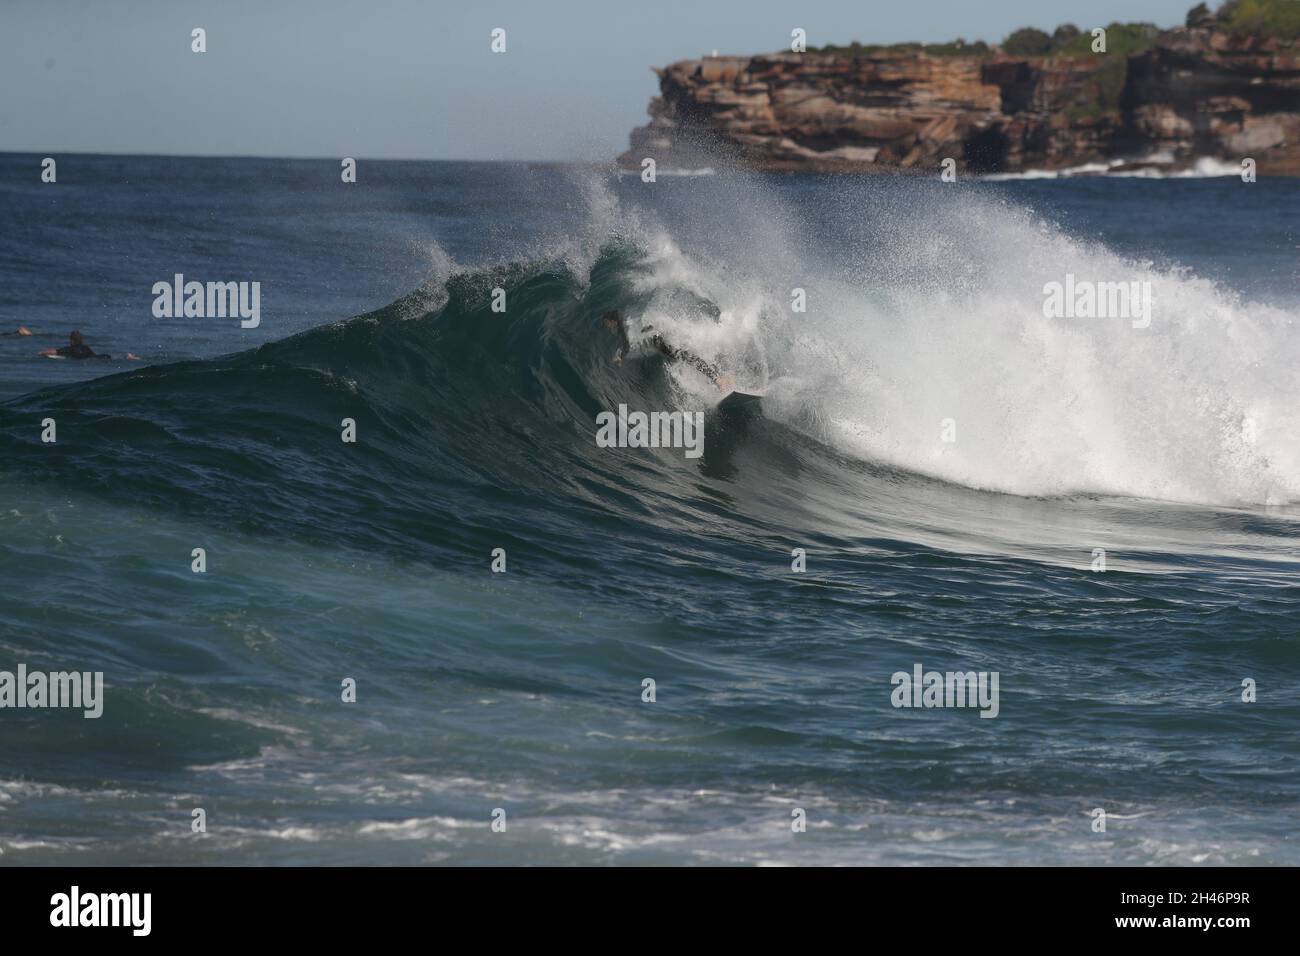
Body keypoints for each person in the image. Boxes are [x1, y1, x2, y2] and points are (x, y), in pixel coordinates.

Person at [602, 309, 734, 390]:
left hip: (658, 342)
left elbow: (627, 344)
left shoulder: (621, 328)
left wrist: (621, 356)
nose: (606, 326)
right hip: (658, 336)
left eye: (606, 322)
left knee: (686, 357)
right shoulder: (627, 321)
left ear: (612, 320)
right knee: (687, 356)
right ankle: (720, 375)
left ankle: (718, 380)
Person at [38, 330, 139, 361]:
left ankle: (127, 358)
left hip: (87, 360)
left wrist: (41, 352)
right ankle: (128, 357)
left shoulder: (69, 349)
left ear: (72, 340)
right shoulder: (86, 347)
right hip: (99, 357)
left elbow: (55, 351)